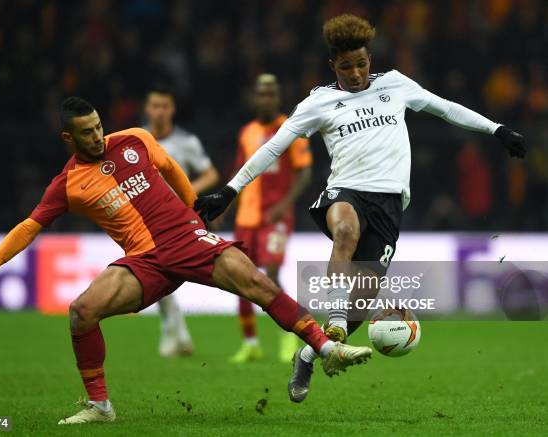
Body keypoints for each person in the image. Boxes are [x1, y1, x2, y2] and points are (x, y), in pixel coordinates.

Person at [0, 97, 372, 425]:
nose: (98, 136)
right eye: (87, 132)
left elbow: (171, 167)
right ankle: (100, 406)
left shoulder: (134, 139)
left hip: (187, 239)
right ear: (69, 138)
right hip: (144, 262)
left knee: (259, 286)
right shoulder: (68, 185)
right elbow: (30, 225)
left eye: (99, 126)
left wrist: (193, 208)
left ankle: (326, 346)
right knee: (81, 312)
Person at [194, 13, 526, 403]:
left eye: (362, 64)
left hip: (389, 205)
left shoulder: (396, 85)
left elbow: (446, 108)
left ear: (371, 59)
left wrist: (497, 130)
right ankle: (332, 322)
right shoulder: (318, 102)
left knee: (362, 304)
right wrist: (231, 190)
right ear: (333, 65)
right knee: (346, 231)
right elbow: (273, 146)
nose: (355, 73)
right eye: (347, 66)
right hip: (346, 192)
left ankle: (307, 354)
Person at [229, 74, 312, 363]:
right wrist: (224, 209)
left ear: (278, 97)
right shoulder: (246, 132)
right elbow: (239, 175)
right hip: (246, 218)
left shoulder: (290, 130)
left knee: (272, 275)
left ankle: (288, 336)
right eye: (261, 93)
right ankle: (250, 343)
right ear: (255, 98)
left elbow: (304, 172)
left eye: (271, 94)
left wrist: (284, 205)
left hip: (275, 217)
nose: (266, 98)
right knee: (239, 277)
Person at [144, 86, 220, 357]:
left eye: (165, 106)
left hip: (179, 219)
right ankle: (175, 333)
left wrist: (185, 190)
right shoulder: (137, 142)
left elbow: (211, 174)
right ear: (148, 109)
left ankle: (176, 333)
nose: (160, 111)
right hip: (145, 219)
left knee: (168, 275)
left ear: (172, 109)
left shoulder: (186, 142)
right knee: (158, 275)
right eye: (155, 106)